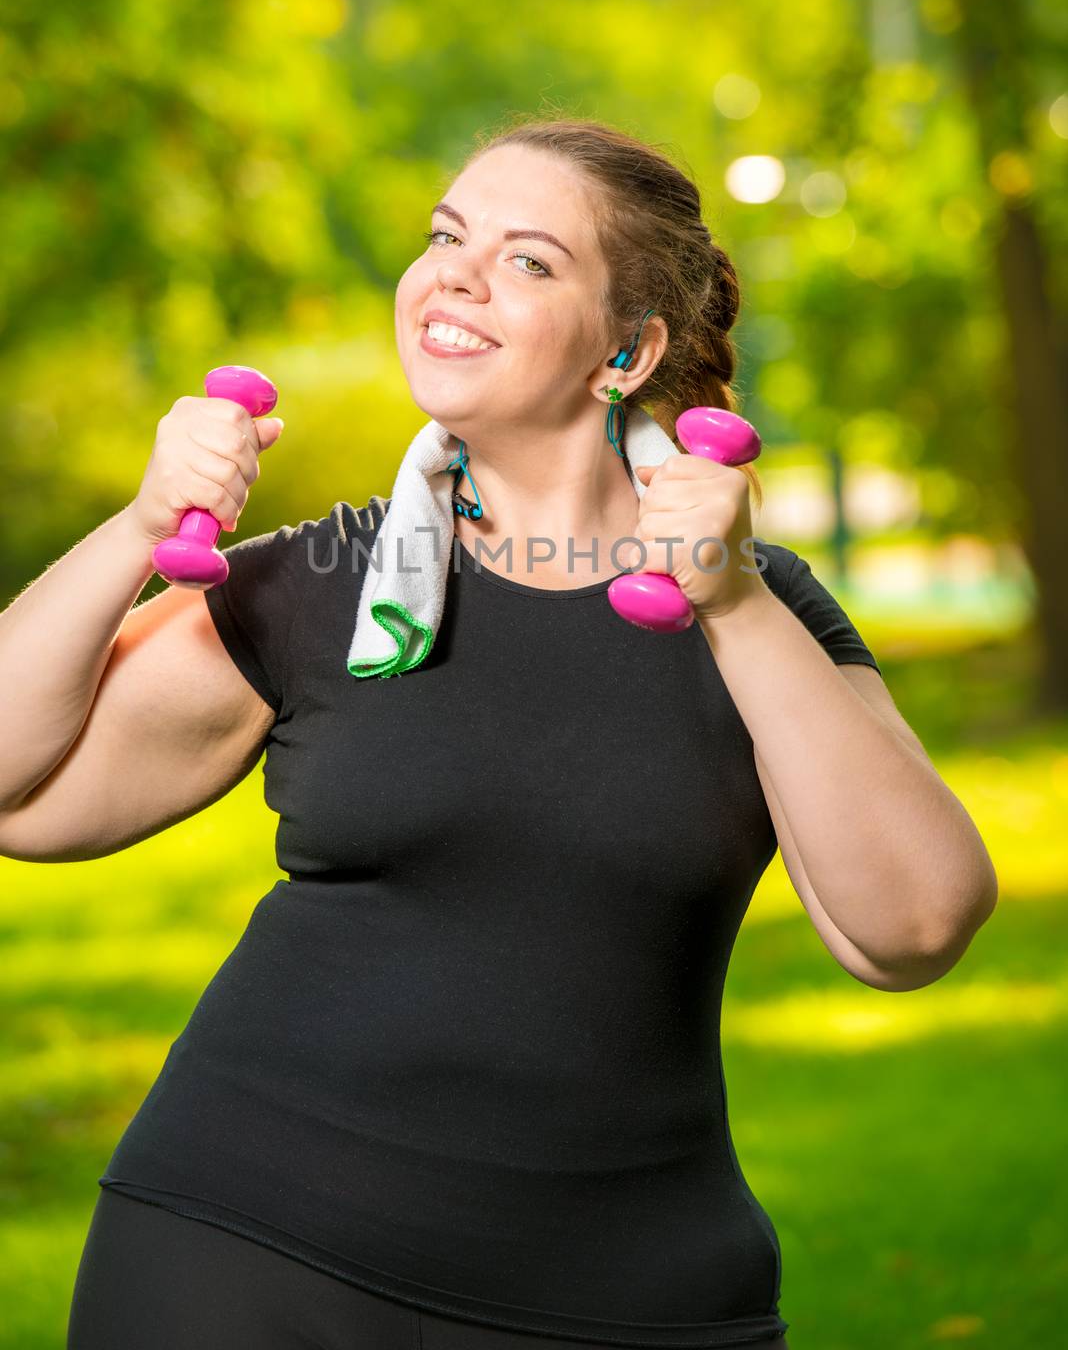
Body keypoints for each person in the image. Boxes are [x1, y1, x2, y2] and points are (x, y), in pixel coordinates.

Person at [0, 117, 998, 1349]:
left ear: (627, 351)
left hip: (631, 1302)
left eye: (528, 259)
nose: (456, 275)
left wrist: (727, 597)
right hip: (242, 1253)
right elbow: (19, 795)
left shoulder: (759, 603)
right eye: (445, 237)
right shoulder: (325, 580)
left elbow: (912, 928)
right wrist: (139, 527)